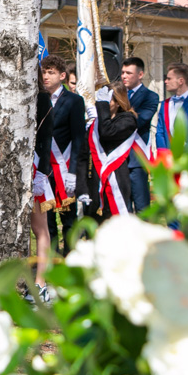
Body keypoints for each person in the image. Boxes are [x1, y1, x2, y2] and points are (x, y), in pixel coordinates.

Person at [40, 55, 86, 256]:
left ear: (62, 75)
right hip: (44, 169)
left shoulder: (74, 100)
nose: (46, 76)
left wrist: (73, 172)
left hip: (64, 166)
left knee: (68, 221)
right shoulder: (39, 98)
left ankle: (70, 261)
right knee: (47, 221)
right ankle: (50, 265)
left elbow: (78, 137)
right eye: (44, 72)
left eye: (51, 72)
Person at [87, 81, 138, 221]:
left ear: (118, 102)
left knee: (113, 222)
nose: (102, 104)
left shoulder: (128, 119)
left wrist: (101, 108)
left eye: (107, 101)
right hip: (95, 178)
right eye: (101, 101)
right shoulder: (100, 120)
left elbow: (107, 132)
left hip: (115, 178)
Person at [120, 57, 158, 212]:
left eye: (128, 73)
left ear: (140, 74)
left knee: (142, 207)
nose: (124, 76)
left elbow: (140, 120)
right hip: (119, 159)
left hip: (137, 159)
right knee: (123, 207)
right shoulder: (115, 94)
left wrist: (117, 120)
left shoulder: (150, 96)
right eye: (122, 72)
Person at [31, 62, 55, 302]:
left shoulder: (42, 98)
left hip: (36, 170)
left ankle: (41, 282)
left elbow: (45, 137)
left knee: (39, 228)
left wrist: (42, 172)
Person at [155, 63, 188, 149]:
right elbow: (160, 132)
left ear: (181, 81)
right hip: (166, 158)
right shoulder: (165, 104)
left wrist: (181, 156)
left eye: (169, 79)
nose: (165, 81)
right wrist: (164, 154)